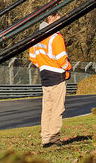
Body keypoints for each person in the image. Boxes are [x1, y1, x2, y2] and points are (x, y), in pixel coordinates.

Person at [29, 13, 72, 148]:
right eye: (59, 19)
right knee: (57, 108)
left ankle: (45, 137)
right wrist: (68, 68)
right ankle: (54, 137)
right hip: (57, 75)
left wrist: (43, 64)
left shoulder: (37, 36)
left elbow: (32, 57)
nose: (61, 22)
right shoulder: (55, 37)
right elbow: (61, 59)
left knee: (46, 108)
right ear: (51, 19)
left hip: (44, 75)